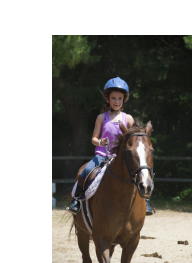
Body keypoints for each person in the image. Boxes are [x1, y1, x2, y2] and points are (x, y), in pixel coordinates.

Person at [66, 76, 155, 216]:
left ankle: (146, 200)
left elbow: (136, 139)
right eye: (113, 98)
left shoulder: (129, 118)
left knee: (141, 172)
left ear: (124, 100)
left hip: (122, 158)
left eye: (120, 98)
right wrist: (100, 142)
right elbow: (93, 139)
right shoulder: (101, 118)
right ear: (107, 99)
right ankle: (76, 200)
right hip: (102, 155)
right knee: (85, 172)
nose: (117, 101)